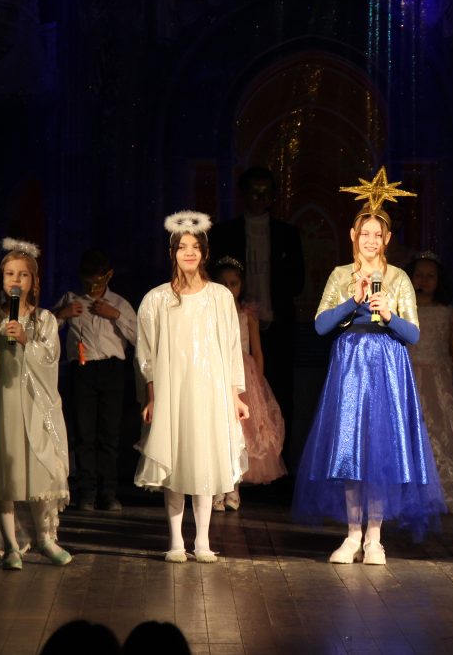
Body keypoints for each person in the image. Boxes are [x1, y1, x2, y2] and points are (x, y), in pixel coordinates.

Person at [292, 173, 445, 565]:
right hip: (350, 367)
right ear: (353, 235)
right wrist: (353, 301)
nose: (371, 240)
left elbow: (413, 334)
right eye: (365, 234)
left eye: (378, 234)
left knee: (380, 450)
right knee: (350, 452)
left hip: (387, 369)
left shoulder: (399, 278)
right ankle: (352, 535)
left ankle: (375, 538)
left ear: (387, 238)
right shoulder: (341, 275)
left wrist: (389, 314)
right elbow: (321, 325)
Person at [134, 212, 249, 563]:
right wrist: (152, 397)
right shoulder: (157, 299)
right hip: (174, 392)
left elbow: (232, 348)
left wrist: (235, 396)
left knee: (203, 462)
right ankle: (175, 541)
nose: (188, 253)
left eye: (195, 247)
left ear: (204, 252)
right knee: (175, 462)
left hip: (209, 392)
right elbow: (147, 354)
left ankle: (202, 541)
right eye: (182, 247)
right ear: (172, 253)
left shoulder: (219, 297)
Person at [0, 238, 72, 570]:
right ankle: (10, 544)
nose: (15, 280)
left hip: (33, 406)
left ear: (33, 281)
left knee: (39, 468)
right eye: (10, 274)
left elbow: (50, 359)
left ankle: (46, 538)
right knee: (3, 472)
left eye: (23, 275)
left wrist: (27, 341)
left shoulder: (44, 319)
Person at [209, 167, 304, 462]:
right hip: (233, 325)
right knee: (236, 396)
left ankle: (276, 462)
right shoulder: (224, 233)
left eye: (266, 192)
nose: (260, 198)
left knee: (279, 395)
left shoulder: (287, 234)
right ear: (243, 194)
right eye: (254, 191)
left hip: (277, 325)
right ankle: (235, 463)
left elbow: (297, 282)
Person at [53, 249, 137, 512]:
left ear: (108, 276)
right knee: (84, 433)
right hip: (83, 370)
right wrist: (62, 314)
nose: (92, 286)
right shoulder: (71, 299)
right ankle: (86, 493)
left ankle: (108, 492)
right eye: (87, 280)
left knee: (109, 434)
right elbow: (45, 329)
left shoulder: (119, 303)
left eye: (97, 280)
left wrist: (115, 315)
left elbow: (139, 337)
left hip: (112, 370)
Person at [406, 251, 453, 517]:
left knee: (442, 432)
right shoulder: (402, 309)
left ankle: (443, 489)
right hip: (409, 378)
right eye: (418, 275)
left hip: (438, 381)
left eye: (430, 276)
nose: (423, 281)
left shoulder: (446, 312)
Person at [209, 255, 286, 512]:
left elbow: (257, 351)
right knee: (219, 431)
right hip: (218, 373)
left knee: (241, 433)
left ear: (241, 286)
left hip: (244, 376)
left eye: (233, 283)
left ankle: (234, 487)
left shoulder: (247, 315)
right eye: (224, 283)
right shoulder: (210, 313)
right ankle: (217, 488)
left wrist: (259, 384)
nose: (229, 288)